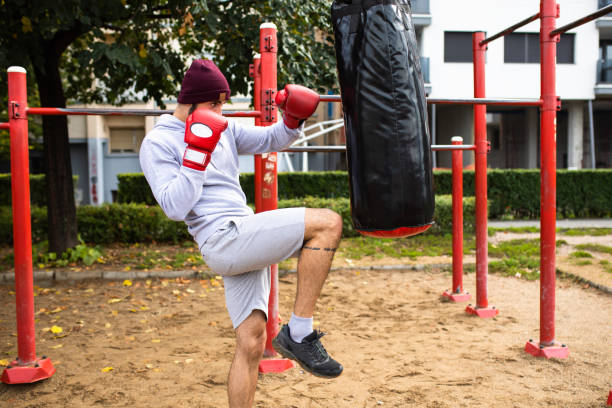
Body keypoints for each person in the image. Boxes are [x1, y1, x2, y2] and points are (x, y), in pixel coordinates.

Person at [139, 59, 343, 407]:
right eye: (214, 104)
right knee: (328, 223)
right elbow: (174, 207)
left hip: (242, 233)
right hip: (221, 238)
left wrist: (292, 120)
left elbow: (271, 139)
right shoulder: (157, 143)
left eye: (222, 103)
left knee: (250, 342)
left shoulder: (223, 129)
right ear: (189, 102)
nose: (221, 111)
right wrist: (195, 157)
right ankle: (300, 332)